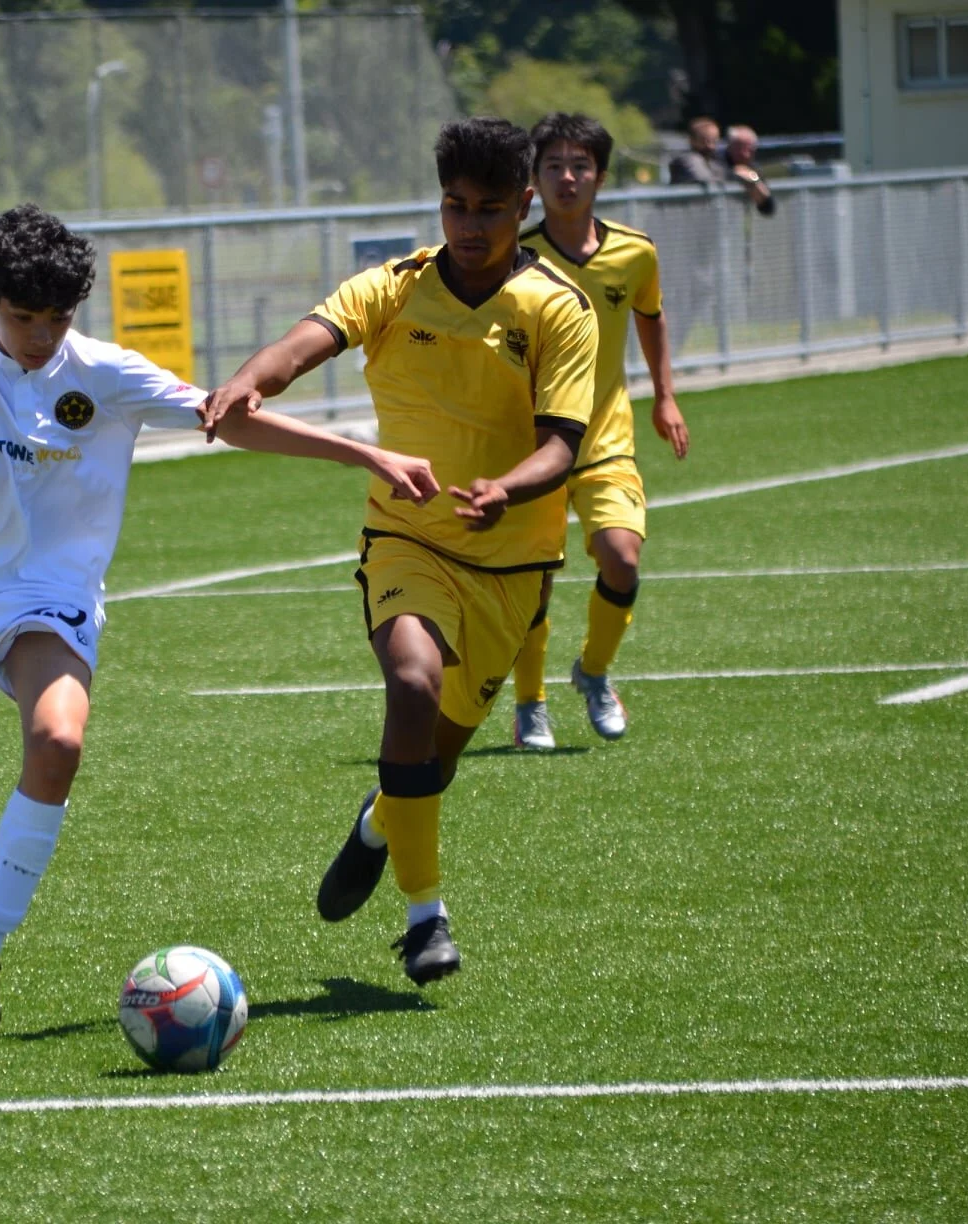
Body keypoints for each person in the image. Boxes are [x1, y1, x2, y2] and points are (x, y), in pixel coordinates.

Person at [0, 203, 440, 1032]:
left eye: (58, 318)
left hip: (50, 604)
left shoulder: (101, 372)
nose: (42, 336)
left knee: (58, 740)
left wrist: (368, 453)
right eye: (24, 317)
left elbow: (228, 418)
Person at [200, 118, 598, 986]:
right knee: (411, 684)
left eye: (491, 209)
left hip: (512, 564)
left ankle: (379, 826)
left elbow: (562, 445)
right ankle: (427, 920)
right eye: (455, 205)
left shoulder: (558, 309)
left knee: (432, 763)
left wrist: (505, 489)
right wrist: (250, 381)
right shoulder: (394, 286)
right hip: (406, 536)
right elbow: (306, 342)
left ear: (524, 205)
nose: (469, 224)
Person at [510, 113, 690, 750]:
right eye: (553, 165)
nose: (567, 177)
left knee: (621, 555)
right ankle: (529, 705)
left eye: (580, 165)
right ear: (534, 178)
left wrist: (664, 396)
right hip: (531, 449)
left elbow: (651, 315)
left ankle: (592, 670)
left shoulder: (634, 252)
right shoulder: (517, 256)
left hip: (606, 440)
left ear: (601, 177)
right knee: (536, 580)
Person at [669, 116, 774, 217]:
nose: (710, 146)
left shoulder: (714, 162)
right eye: (704, 140)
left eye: (714, 140)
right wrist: (736, 176)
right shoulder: (688, 160)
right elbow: (706, 179)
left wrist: (750, 178)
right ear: (692, 140)